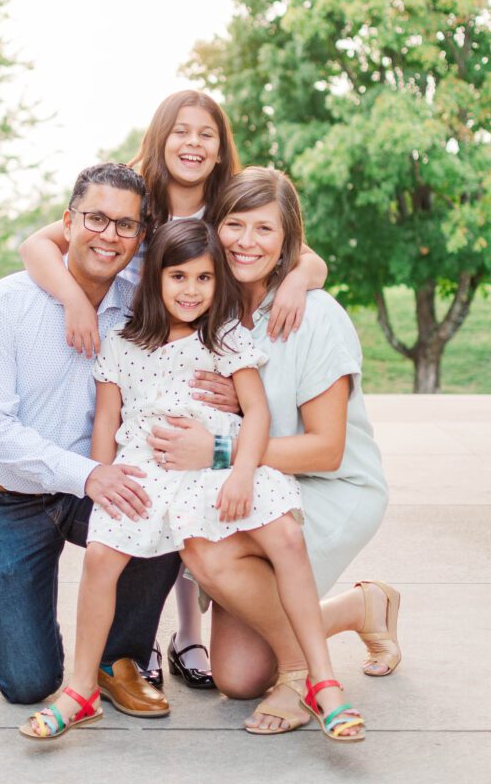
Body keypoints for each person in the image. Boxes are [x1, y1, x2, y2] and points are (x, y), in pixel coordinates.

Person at [19, 89, 329, 686]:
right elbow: (37, 243)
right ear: (159, 138)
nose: (192, 143)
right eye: (180, 131)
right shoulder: (134, 194)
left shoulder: (228, 200)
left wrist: (297, 283)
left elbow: (301, 254)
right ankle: (153, 634)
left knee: (194, 487)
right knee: (153, 479)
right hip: (136, 357)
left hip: (204, 360)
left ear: (221, 149)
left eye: (206, 134)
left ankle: (190, 633)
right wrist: (72, 304)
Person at [20, 220, 365, 743]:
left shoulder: (223, 336)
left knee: (286, 536)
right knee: (99, 558)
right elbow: (106, 421)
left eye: (204, 279)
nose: (191, 290)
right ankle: (81, 690)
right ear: (154, 278)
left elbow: (256, 412)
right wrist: (101, 475)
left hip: (218, 466)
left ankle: (322, 680)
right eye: (178, 276)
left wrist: (244, 471)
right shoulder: (121, 341)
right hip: (146, 469)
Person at [148, 168, 396, 735]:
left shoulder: (316, 316)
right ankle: (362, 608)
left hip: (330, 489)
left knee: (210, 553)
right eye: (234, 224)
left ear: (288, 240)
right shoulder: (208, 311)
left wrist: (215, 447)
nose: (245, 241)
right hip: (262, 483)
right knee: (236, 677)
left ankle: (302, 673)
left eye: (264, 229)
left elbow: (326, 450)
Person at [0, 162, 180, 716]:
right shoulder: (3, 305)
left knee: (160, 505)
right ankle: (45, 644)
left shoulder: (144, 307)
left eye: (125, 226)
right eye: (96, 218)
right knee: (28, 682)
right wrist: (87, 472)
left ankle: (118, 657)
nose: (109, 235)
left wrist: (229, 396)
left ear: (140, 237)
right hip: (8, 498)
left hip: (94, 489)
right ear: (68, 221)